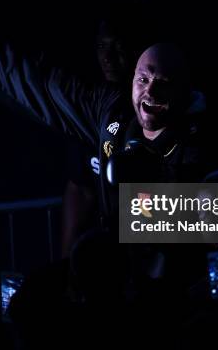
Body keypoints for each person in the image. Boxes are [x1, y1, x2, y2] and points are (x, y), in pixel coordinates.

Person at [0, 0, 209, 230]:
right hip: (125, 279)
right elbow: (33, 80)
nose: (149, 92)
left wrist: (153, 198)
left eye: (162, 83)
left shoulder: (207, 138)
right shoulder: (113, 111)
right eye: (142, 80)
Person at [61, 14, 136, 256]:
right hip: (107, 250)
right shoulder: (91, 109)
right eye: (102, 46)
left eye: (118, 47)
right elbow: (80, 187)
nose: (108, 56)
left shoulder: (155, 110)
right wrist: (66, 262)